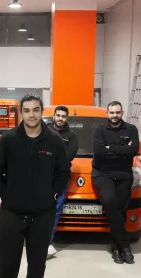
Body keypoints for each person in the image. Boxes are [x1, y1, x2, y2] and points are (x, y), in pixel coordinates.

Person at [0, 94, 70, 278]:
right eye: (26, 110)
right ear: (21, 113)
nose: (31, 115)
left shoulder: (53, 140)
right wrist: (8, 194)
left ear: (42, 111)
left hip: (42, 213)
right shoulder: (9, 139)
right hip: (12, 211)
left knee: (37, 259)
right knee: (7, 258)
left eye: (35, 110)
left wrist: (51, 194)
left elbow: (63, 172)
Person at [92, 101, 140, 265]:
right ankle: (124, 246)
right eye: (112, 113)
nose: (114, 115)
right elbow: (98, 153)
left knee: (121, 209)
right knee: (111, 203)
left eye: (117, 112)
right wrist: (122, 150)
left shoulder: (131, 129)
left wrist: (110, 147)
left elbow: (133, 150)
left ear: (122, 112)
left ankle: (116, 247)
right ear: (107, 113)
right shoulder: (99, 130)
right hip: (103, 174)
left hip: (124, 174)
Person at [47, 105, 78, 257]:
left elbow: (68, 157)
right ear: (54, 116)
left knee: (55, 210)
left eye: (63, 116)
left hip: (60, 178)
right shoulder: (43, 131)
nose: (60, 118)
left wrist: (47, 156)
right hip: (42, 177)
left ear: (67, 118)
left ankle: (47, 243)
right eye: (58, 115)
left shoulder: (71, 136)